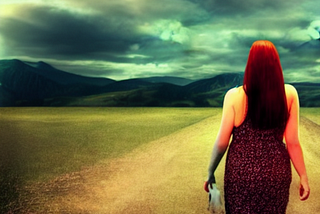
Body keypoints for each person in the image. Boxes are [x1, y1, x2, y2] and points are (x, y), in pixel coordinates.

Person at [206, 40, 310, 213]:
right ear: (276, 65)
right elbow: (292, 142)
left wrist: (210, 172)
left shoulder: (234, 96)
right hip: (276, 173)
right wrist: (304, 177)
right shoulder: (290, 94)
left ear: (250, 65)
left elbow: (222, 142)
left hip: (240, 174)